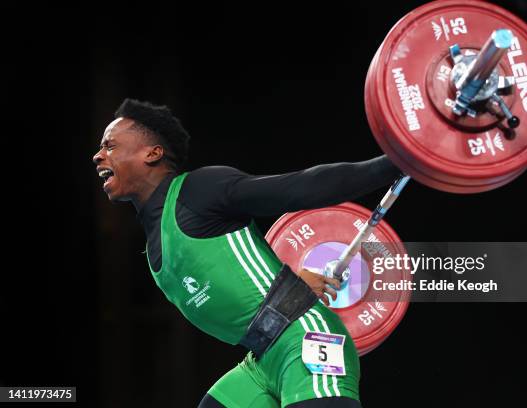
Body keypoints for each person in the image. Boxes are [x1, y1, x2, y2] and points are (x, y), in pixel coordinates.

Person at [92, 99, 401, 407]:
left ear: (152, 153)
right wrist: (292, 287)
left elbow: (301, 187)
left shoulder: (198, 192)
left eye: (110, 146)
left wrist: (396, 162)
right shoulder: (153, 247)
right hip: (262, 361)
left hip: (305, 338)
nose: (98, 155)